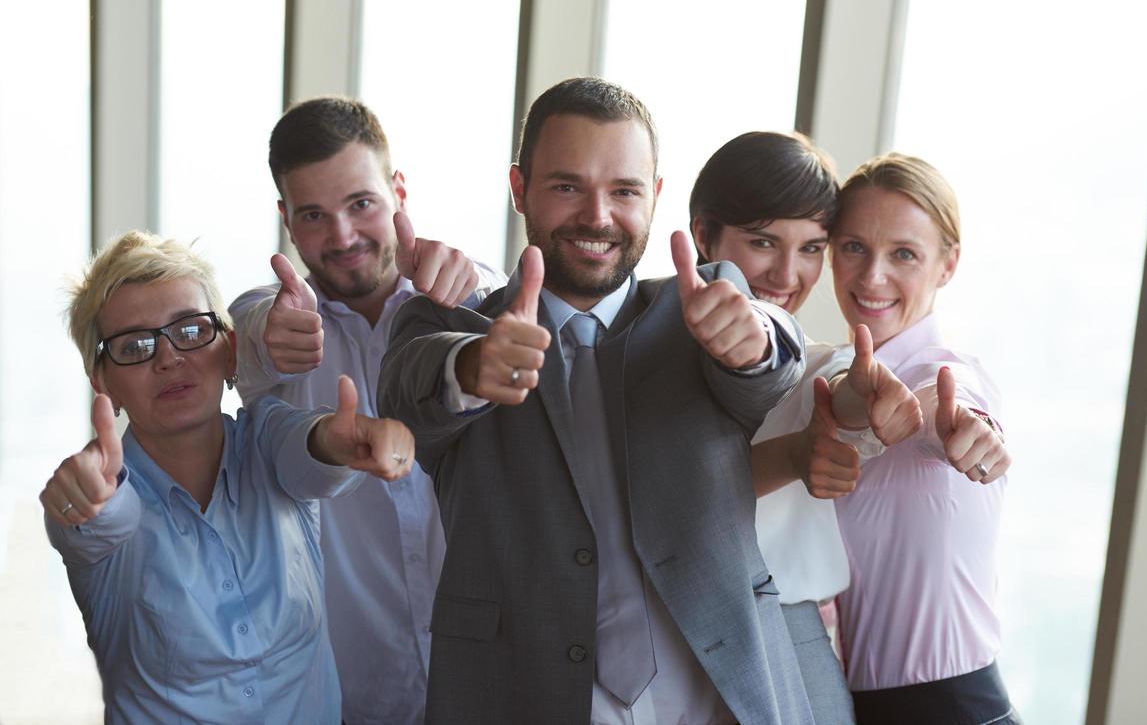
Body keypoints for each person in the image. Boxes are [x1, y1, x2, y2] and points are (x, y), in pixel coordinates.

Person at [379, 78, 816, 724]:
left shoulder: (702, 305)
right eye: (566, 186)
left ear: (655, 196)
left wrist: (754, 342)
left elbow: (774, 353)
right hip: (521, 694)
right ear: (519, 188)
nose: (598, 216)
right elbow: (412, 385)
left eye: (624, 191)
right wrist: (473, 367)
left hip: (718, 695)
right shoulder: (457, 326)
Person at [694, 138, 1015, 724]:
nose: (873, 275)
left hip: (955, 707)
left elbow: (943, 408)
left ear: (949, 264)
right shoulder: (820, 378)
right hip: (860, 702)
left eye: (904, 255)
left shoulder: (943, 373)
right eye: (853, 247)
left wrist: (972, 431)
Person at [42, 230, 416, 723]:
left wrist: (351, 439)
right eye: (135, 345)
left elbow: (311, 450)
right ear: (102, 380)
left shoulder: (267, 438)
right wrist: (80, 498)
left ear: (231, 350)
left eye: (191, 331)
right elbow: (97, 522)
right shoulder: (107, 492)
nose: (169, 357)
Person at [229, 96, 502, 725]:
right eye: (315, 216)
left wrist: (479, 297)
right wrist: (268, 333)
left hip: (490, 687)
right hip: (354, 696)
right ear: (286, 221)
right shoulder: (275, 322)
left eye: (361, 204)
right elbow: (243, 335)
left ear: (398, 189)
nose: (343, 236)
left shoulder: (472, 294)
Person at [688, 131, 923, 725]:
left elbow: (839, 389)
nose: (787, 274)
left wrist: (864, 398)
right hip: (663, 629)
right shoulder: (635, 353)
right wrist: (795, 455)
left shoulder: (815, 362)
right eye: (763, 242)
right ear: (702, 234)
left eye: (812, 248)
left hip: (789, 628)